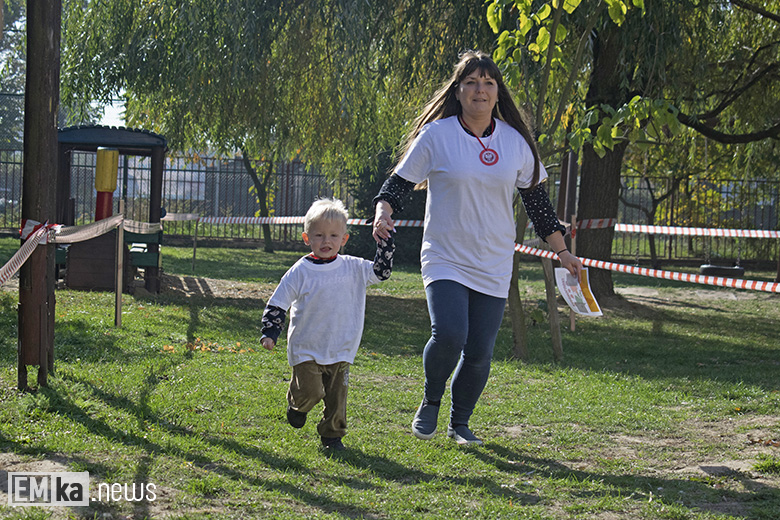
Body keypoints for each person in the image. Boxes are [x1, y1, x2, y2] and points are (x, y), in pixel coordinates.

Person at [372, 50, 582, 446]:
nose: (480, 90)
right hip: (445, 256)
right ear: (459, 90)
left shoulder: (516, 143)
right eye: (471, 82)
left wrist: (563, 252)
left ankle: (461, 422)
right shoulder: (437, 136)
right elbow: (396, 187)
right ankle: (431, 400)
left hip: (494, 261)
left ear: (498, 92)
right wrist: (383, 212)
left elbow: (538, 206)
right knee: (450, 333)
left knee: (480, 352)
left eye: (488, 83)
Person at [261, 198, 395, 451]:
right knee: (310, 392)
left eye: (333, 235)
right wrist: (270, 331)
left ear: (344, 239)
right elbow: (278, 302)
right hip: (307, 348)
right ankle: (298, 404)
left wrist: (385, 242)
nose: (326, 241)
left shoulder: (353, 267)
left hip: (341, 347)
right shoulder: (300, 271)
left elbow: (381, 272)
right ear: (306, 238)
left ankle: (332, 436)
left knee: (337, 398)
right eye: (319, 235)